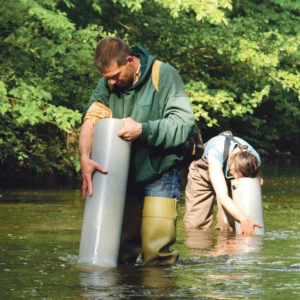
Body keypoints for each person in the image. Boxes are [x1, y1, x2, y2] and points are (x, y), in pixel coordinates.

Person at [79, 37, 194, 264]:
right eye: (106, 78)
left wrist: (143, 129)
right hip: (123, 173)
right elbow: (91, 120)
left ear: (130, 61)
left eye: (115, 76)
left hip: (161, 168)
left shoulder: (164, 75)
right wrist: (84, 157)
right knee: (120, 252)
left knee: (156, 251)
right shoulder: (107, 84)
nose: (111, 83)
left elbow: (183, 124)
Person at [183, 131, 263, 234]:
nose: (235, 177)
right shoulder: (216, 153)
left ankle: (227, 247)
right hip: (203, 171)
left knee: (228, 224)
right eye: (233, 173)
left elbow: (258, 180)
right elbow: (222, 195)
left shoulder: (254, 159)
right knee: (195, 224)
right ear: (231, 164)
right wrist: (244, 219)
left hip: (230, 171)